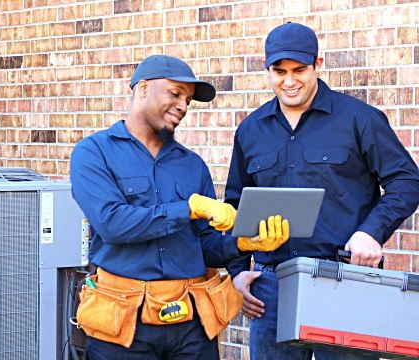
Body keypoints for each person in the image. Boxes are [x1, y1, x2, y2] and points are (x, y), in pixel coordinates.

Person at [70, 54, 289, 360]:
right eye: (175, 94)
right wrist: (186, 209)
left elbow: (205, 245)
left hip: (192, 325)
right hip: (122, 325)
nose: (184, 106)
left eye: (188, 100)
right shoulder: (93, 153)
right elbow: (112, 223)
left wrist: (242, 243)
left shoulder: (192, 165)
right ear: (143, 88)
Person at [225, 22, 419, 360]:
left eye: (299, 69)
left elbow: (407, 181)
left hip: (345, 279)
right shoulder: (251, 130)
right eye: (279, 71)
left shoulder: (360, 119)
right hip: (272, 287)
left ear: (318, 64)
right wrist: (238, 271)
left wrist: (371, 232)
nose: (289, 81)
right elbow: (236, 205)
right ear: (266, 69)